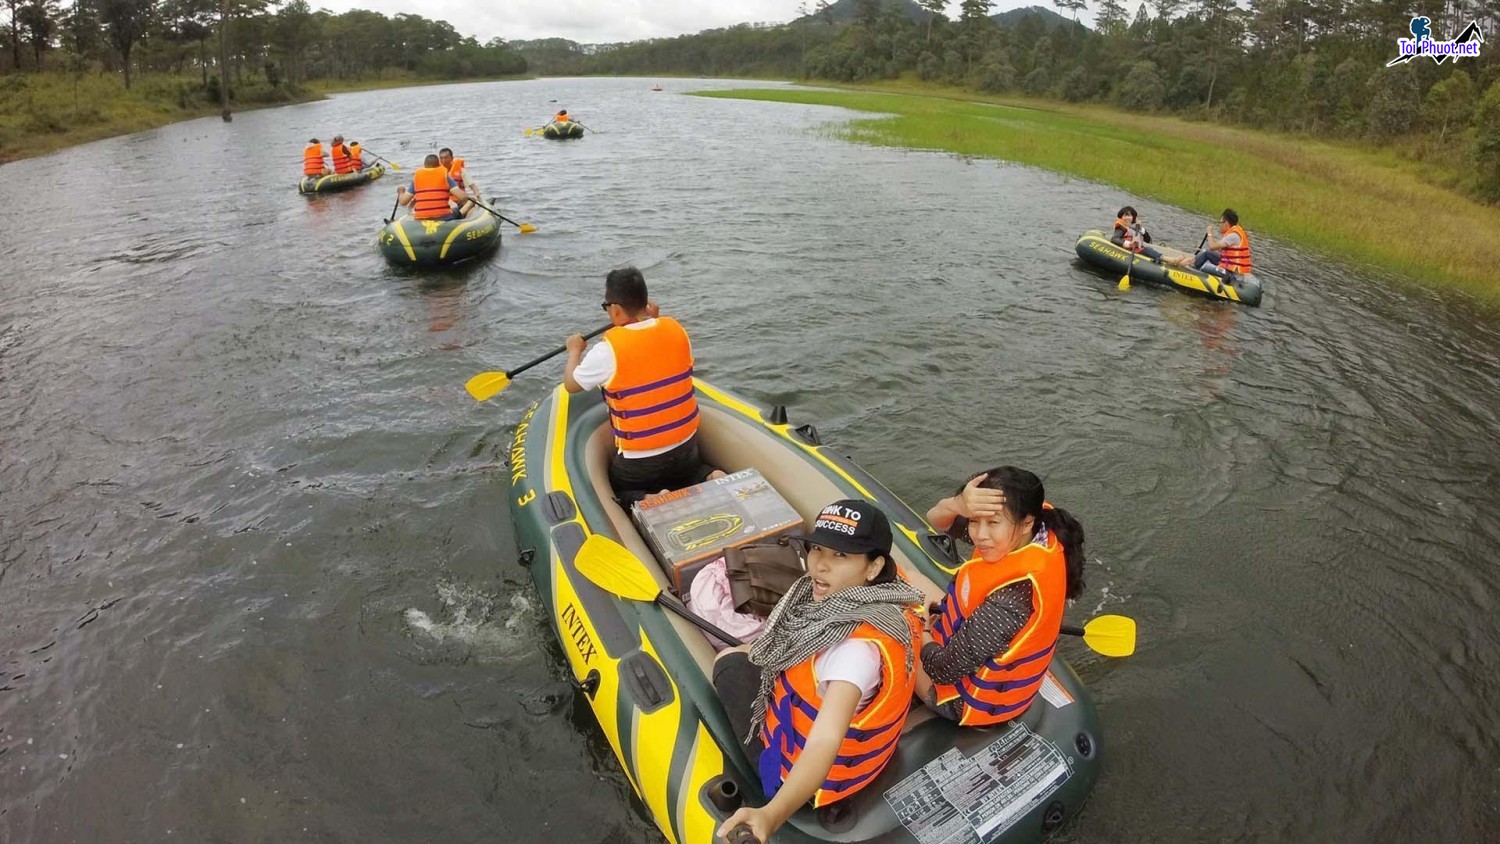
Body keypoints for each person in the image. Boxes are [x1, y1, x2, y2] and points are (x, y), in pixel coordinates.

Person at [714, 500, 924, 844]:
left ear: (873, 567)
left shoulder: (853, 654)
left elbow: (826, 739)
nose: (820, 566)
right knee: (751, 653)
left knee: (730, 662)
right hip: (864, 761)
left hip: (812, 780)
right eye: (817, 550)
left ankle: (770, 788)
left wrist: (772, 813)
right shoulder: (892, 596)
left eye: (841, 556)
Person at [915, 467, 1086, 726]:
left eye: (992, 523)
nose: (979, 535)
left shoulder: (1013, 599)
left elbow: (943, 670)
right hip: (978, 645)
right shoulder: (1033, 529)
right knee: (910, 581)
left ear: (1027, 522)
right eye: (973, 519)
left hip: (966, 700)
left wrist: (923, 631)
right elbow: (937, 519)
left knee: (899, 623)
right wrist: (957, 503)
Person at [563, 267, 724, 503]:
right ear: (646, 303)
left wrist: (574, 351)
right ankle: (709, 476)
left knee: (617, 491)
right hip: (687, 449)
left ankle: (651, 497)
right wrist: (655, 318)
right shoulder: (677, 330)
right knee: (690, 471)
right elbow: (653, 349)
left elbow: (571, 384)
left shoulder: (607, 351)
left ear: (615, 309)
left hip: (640, 462)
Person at [1172, 209, 1253, 278]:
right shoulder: (1234, 232)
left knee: (1205, 267)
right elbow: (1222, 251)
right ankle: (1191, 264)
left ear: (1226, 224)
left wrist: (1209, 233)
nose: (1219, 225)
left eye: (1220, 223)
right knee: (1206, 252)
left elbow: (1212, 246)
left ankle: (1189, 268)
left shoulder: (1233, 235)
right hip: (1228, 266)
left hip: (1232, 274)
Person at [396, 154, 469, 221]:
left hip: (421, 218)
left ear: (424, 166)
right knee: (455, 208)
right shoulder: (445, 176)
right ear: (438, 165)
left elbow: (403, 202)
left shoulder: (417, 178)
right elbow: (462, 197)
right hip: (443, 217)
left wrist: (401, 192)